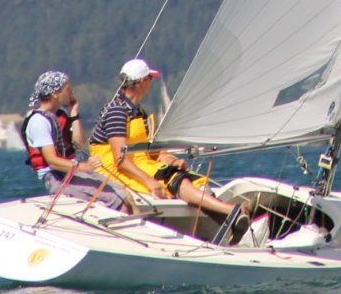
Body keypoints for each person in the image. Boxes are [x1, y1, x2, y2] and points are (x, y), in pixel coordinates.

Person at [88, 58, 244, 226]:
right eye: (150, 79)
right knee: (176, 179)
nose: (151, 83)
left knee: (195, 180)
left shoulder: (138, 111)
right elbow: (121, 160)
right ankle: (232, 212)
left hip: (140, 164)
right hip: (114, 170)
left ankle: (228, 222)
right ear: (143, 81)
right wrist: (149, 181)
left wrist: (172, 160)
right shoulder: (116, 110)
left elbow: (149, 151)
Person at [22, 70, 105, 202]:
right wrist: (85, 166)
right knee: (111, 199)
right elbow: (52, 160)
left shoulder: (60, 115)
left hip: (71, 171)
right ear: (55, 93)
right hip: (56, 176)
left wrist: (74, 114)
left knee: (123, 195)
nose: (72, 92)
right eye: (68, 89)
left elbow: (80, 145)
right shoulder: (39, 121)